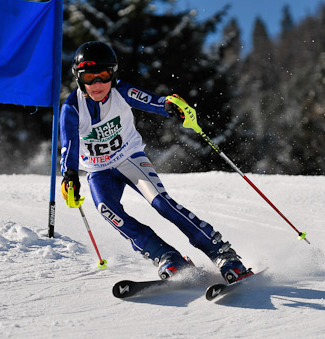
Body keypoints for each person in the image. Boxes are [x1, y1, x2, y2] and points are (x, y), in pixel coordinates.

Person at [59, 41, 252, 284]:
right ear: (79, 78)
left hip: (130, 158)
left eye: (104, 75)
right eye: (90, 77)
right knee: (107, 210)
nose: (98, 84)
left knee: (162, 203)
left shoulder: (121, 91)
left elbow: (153, 101)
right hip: (99, 170)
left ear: (113, 74)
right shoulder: (72, 107)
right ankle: (166, 256)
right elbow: (69, 146)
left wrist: (171, 106)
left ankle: (221, 252)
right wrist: (69, 176)